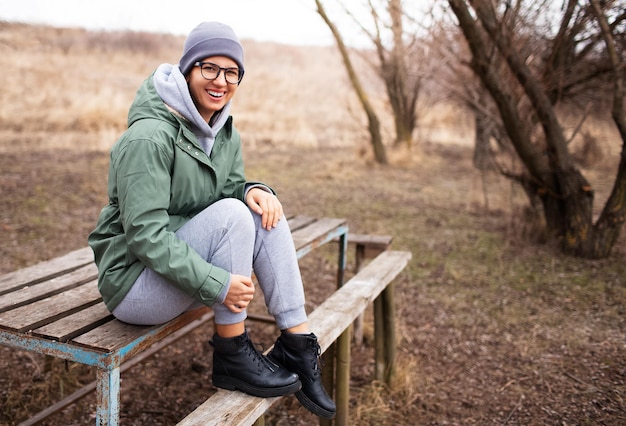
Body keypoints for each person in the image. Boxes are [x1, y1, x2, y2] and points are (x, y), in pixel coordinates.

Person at [88, 21, 335, 419]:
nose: (221, 81)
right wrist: (215, 283)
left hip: (174, 269)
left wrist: (253, 189)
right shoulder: (149, 137)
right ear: (188, 70)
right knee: (235, 214)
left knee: (262, 208)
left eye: (231, 72)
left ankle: (298, 344)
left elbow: (225, 195)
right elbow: (144, 236)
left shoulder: (222, 130)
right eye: (209, 68)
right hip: (134, 284)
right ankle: (232, 352)